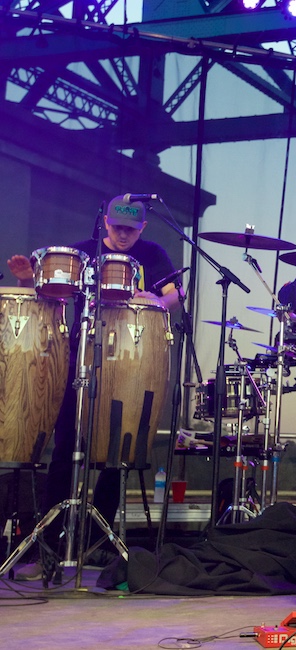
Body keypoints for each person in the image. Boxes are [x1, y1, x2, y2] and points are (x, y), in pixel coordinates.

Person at [7, 196, 181, 579]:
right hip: (78, 358)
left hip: (129, 364)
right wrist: (25, 279)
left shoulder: (153, 254)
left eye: (130, 230)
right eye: (117, 227)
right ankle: (49, 548)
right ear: (105, 222)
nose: (122, 235)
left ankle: (96, 545)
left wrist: (157, 298)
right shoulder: (82, 253)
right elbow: (47, 293)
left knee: (117, 450)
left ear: (142, 229)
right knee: (66, 446)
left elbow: (177, 292)